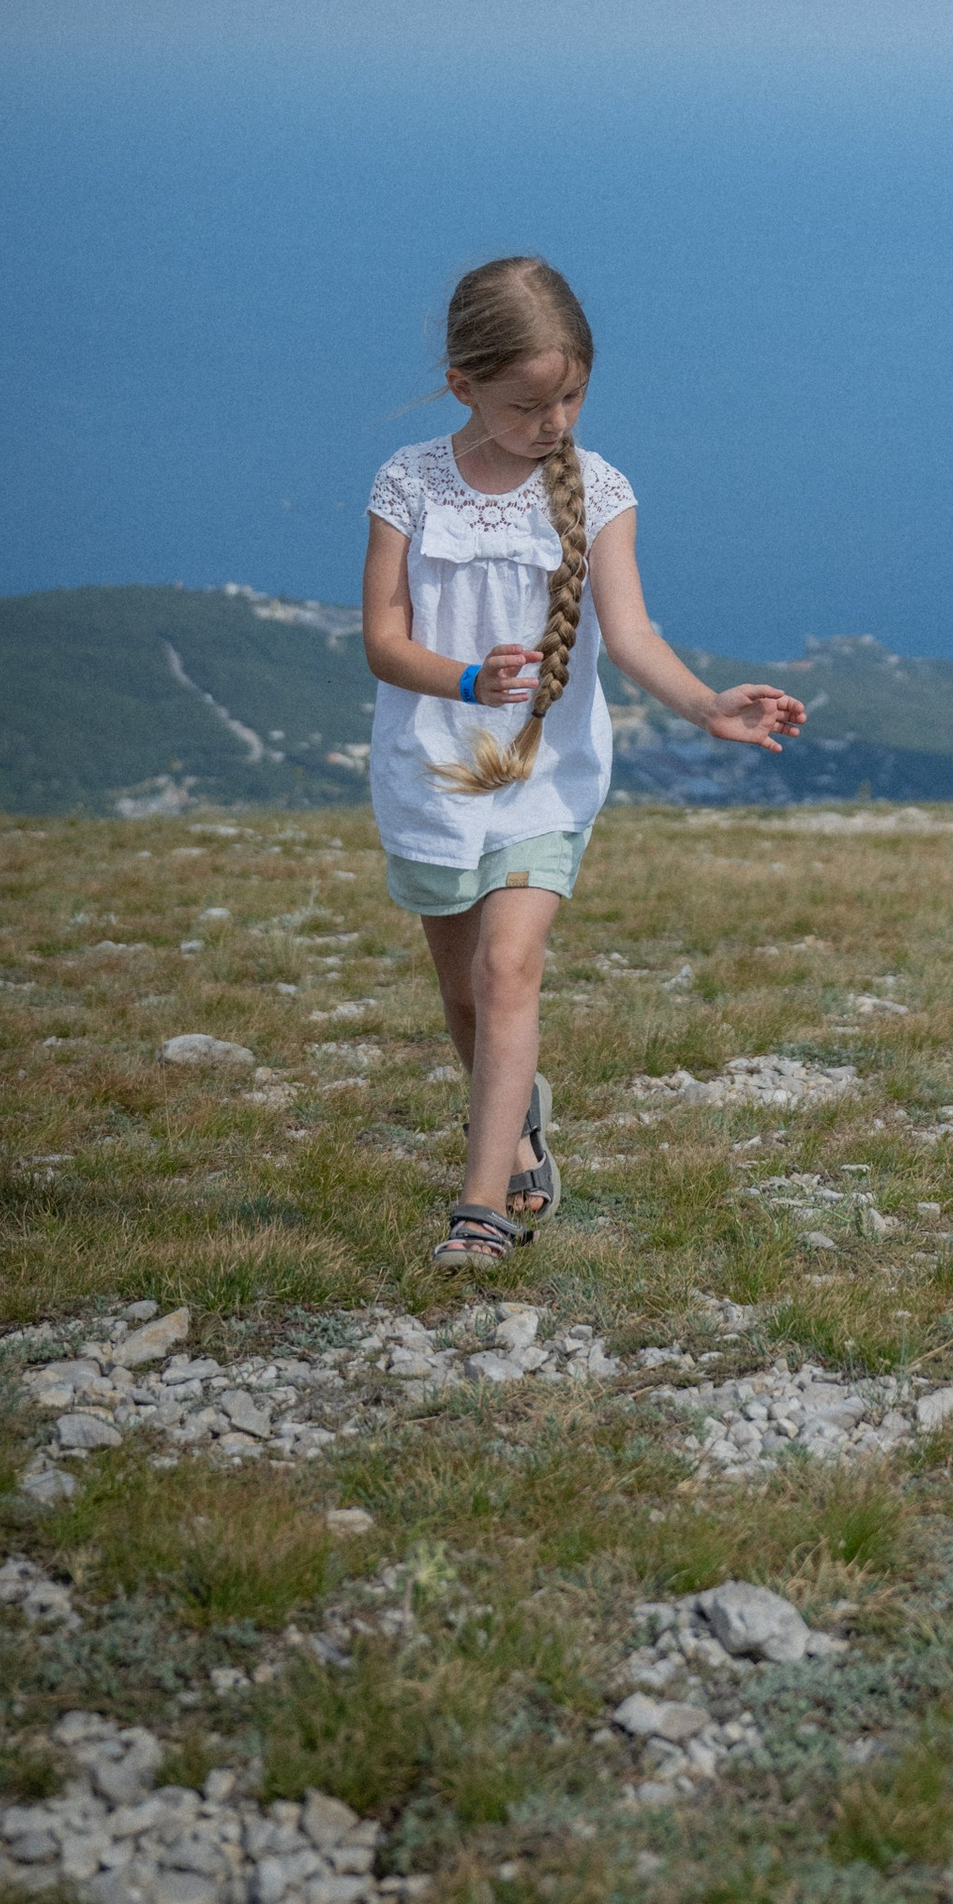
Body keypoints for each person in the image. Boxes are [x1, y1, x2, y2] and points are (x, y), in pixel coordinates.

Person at [361, 253, 804, 1268]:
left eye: (571, 396)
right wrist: (467, 680)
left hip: (546, 781)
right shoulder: (406, 483)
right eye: (527, 404)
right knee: (465, 995)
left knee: (509, 970)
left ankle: (480, 1209)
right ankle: (514, 1120)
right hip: (431, 769)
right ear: (462, 384)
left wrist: (707, 705)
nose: (553, 423)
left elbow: (633, 634)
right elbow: (381, 640)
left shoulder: (599, 490)